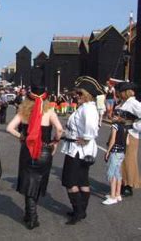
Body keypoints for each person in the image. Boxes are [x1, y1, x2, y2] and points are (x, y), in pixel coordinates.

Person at [7, 86, 63, 230]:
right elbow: (60, 130)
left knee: (28, 181)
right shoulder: (49, 110)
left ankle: (30, 216)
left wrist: (22, 136)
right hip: (44, 151)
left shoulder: (23, 111)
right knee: (37, 182)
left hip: (27, 150)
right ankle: (31, 216)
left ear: (28, 97)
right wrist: (55, 142)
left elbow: (9, 128)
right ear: (44, 98)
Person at [61, 76, 104, 225]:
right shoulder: (85, 107)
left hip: (78, 150)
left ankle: (79, 211)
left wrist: (86, 138)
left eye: (79, 93)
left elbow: (92, 127)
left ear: (86, 94)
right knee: (82, 180)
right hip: (78, 149)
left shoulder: (88, 108)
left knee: (70, 181)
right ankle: (81, 211)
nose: (76, 96)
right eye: (76, 93)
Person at [115, 82, 141, 197]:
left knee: (128, 160)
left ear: (125, 92)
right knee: (120, 159)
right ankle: (122, 183)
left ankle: (128, 185)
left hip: (130, 134)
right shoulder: (124, 103)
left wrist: (132, 126)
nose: (117, 93)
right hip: (121, 133)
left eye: (119, 91)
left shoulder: (134, 103)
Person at [103, 121, 128, 205]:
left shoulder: (115, 126)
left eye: (115, 114)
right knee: (118, 173)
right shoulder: (125, 127)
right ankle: (117, 194)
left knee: (112, 173)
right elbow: (128, 142)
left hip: (115, 151)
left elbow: (113, 139)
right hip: (122, 152)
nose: (113, 115)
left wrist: (108, 151)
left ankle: (112, 196)